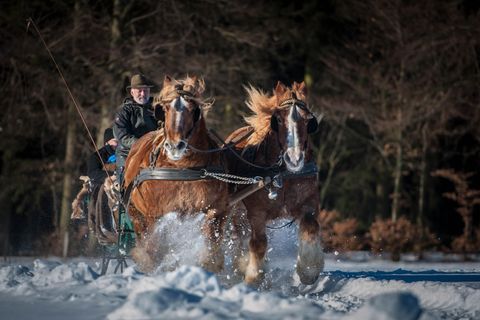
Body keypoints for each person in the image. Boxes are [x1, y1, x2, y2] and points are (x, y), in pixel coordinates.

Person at [113, 73, 159, 186]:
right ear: (132, 92)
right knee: (124, 183)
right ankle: (121, 200)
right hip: (128, 153)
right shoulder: (124, 111)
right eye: (139, 91)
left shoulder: (157, 109)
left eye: (146, 90)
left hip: (155, 151)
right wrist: (142, 145)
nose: (143, 94)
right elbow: (122, 135)